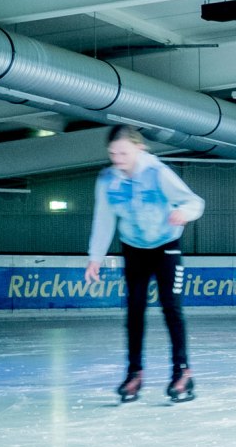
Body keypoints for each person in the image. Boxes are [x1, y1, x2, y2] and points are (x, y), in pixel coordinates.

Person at [83, 125, 206, 403]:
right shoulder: (107, 180)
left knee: (171, 308)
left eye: (123, 152)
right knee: (134, 311)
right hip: (134, 249)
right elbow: (103, 220)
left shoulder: (158, 173)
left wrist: (183, 213)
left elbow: (194, 202)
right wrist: (95, 258)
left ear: (139, 148)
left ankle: (182, 373)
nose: (117, 158)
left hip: (166, 247)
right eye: (113, 153)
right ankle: (134, 374)